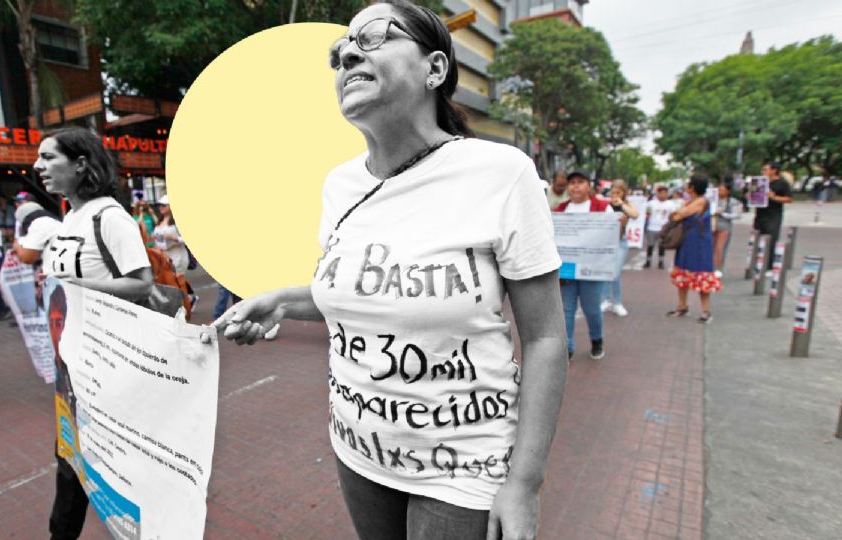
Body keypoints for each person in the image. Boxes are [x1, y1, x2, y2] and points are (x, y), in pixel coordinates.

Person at [214, 2, 568, 538]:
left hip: (462, 466)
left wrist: (524, 483)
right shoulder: (338, 185)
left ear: (435, 70)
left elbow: (544, 337)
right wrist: (282, 301)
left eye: (375, 36)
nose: (348, 53)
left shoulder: (501, 173)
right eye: (339, 52)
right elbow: (365, 292)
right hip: (358, 451)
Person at [34, 127, 153, 540]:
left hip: (106, 369)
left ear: (81, 163)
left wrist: (74, 289)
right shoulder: (70, 217)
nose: (38, 166)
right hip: (71, 365)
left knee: (99, 464)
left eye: (49, 157)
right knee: (70, 459)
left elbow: (142, 283)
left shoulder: (110, 216)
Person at [554, 170, 612, 360]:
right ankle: (567, 347)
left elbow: (611, 236)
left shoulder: (603, 207)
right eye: (572, 183)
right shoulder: (559, 210)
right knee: (566, 309)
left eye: (580, 182)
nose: (575, 186)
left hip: (592, 270)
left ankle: (597, 340)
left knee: (592, 309)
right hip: (567, 270)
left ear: (589, 186)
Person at [666, 176, 721, 323]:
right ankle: (682, 306)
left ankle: (705, 311)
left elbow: (679, 215)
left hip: (699, 243)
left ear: (692, 187)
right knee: (683, 272)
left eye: (688, 185)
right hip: (688, 241)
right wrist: (678, 212)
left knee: (702, 274)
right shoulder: (690, 201)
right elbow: (676, 215)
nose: (686, 187)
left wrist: (679, 212)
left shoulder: (701, 201)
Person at [600, 180, 638, 317]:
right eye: (613, 192)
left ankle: (617, 302)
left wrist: (621, 204)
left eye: (618, 192)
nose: (615, 195)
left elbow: (635, 214)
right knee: (605, 271)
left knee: (615, 273)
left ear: (624, 193)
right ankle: (605, 300)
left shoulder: (627, 204)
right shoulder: (605, 204)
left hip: (620, 242)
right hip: (606, 242)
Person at [752, 162, 792, 269]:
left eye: (765, 169)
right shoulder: (760, 182)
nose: (763, 172)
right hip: (760, 214)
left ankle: (769, 266)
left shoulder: (782, 183)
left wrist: (774, 197)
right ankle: (757, 263)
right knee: (757, 239)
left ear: (774, 170)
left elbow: (788, 199)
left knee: (771, 240)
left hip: (773, 215)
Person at [151, 195, 189, 273]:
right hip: (163, 257)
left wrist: (173, 238)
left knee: (176, 282)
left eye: (164, 205)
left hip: (177, 256)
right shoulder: (159, 220)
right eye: (159, 205)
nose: (161, 207)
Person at [712, 180, 742, 277]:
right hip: (713, 225)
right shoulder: (713, 200)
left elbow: (737, 215)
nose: (720, 192)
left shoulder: (733, 201)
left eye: (723, 190)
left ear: (728, 191)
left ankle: (718, 268)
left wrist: (723, 214)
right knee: (712, 247)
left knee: (720, 248)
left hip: (725, 226)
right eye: (719, 190)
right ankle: (711, 267)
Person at [644, 185, 676, 269]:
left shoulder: (671, 204)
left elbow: (673, 216)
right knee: (650, 245)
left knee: (661, 246)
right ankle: (648, 261)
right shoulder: (651, 203)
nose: (663, 195)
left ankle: (661, 262)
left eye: (664, 193)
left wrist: (670, 226)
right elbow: (647, 214)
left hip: (663, 229)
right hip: (652, 227)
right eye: (661, 193)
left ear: (667, 194)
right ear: (657, 193)